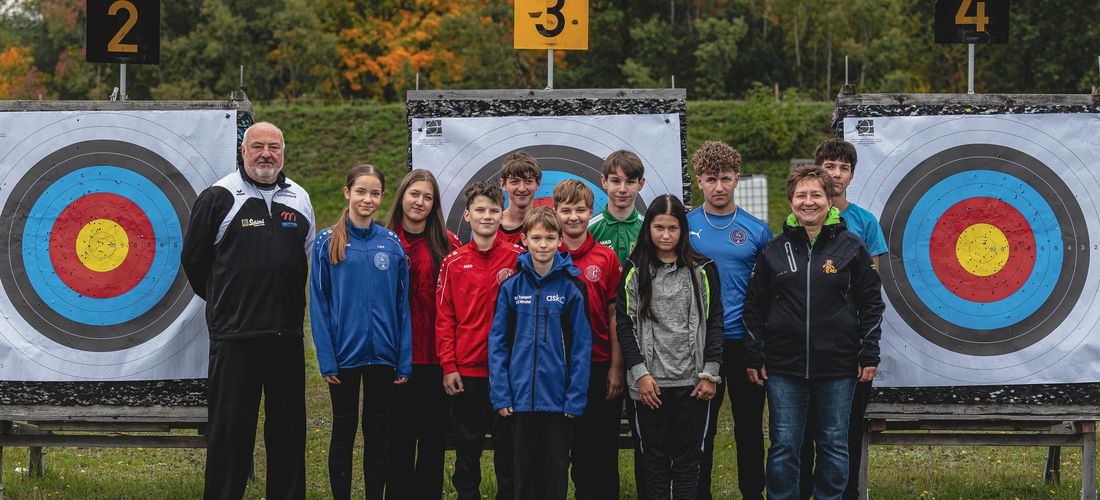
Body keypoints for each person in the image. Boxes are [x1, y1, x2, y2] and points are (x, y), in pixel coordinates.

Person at [181, 121, 315, 500]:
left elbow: (302, 259)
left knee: (288, 432)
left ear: (283, 152)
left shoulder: (299, 198)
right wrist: (227, 301)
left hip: (285, 336)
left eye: (274, 146)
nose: (266, 154)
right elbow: (194, 261)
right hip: (235, 338)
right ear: (243, 151)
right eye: (257, 146)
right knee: (230, 433)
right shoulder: (220, 196)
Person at [743, 166, 885, 500]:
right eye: (801, 195)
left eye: (816, 195)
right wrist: (754, 353)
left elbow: (871, 302)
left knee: (834, 443)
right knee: (784, 445)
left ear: (829, 199)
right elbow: (754, 306)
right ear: (791, 200)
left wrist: (869, 351)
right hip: (783, 367)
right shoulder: (773, 250)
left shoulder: (852, 246)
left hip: (838, 366)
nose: (809, 202)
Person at [310, 165, 411, 499]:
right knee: (343, 430)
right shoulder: (327, 242)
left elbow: (402, 305)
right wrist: (327, 359)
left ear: (382, 197)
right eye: (361, 191)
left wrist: (403, 359)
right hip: (344, 358)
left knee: (378, 433)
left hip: (384, 357)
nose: (367, 199)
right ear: (347, 193)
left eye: (375, 193)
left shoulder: (392, 244)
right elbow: (319, 304)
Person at [799, 139, 889, 500]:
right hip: (806, 346)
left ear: (852, 174)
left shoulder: (865, 223)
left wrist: (865, 347)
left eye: (843, 168)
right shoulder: (802, 217)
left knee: (846, 431)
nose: (835, 175)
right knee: (804, 431)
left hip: (848, 343)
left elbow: (870, 290)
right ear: (817, 169)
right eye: (829, 166)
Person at [618, 194, 724, 500]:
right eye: (659, 227)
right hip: (650, 386)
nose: (665, 235)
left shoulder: (704, 269)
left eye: (673, 228)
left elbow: (715, 321)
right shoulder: (634, 269)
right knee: (654, 463)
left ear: (683, 231)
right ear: (648, 228)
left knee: (690, 463)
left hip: (693, 385)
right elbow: (624, 325)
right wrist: (640, 375)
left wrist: (710, 373)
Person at [685, 141, 772, 500]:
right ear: (698, 181)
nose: (718, 187)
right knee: (701, 431)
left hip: (743, 343)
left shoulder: (757, 230)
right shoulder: (684, 226)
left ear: (737, 179)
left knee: (749, 429)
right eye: (710, 179)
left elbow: (768, 294)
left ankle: (753, 493)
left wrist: (760, 348)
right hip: (699, 344)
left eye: (725, 178)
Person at [488, 206, 593, 500]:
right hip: (520, 400)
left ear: (560, 240)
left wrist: (575, 397)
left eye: (549, 238)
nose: (543, 244)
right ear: (524, 240)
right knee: (524, 475)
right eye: (536, 238)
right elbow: (498, 344)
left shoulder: (573, 287)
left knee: (555, 474)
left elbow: (582, 348)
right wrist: (501, 393)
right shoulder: (511, 287)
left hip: (558, 401)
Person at [436, 180, 524, 500]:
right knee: (467, 450)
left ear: (502, 215)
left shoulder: (519, 259)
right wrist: (449, 366)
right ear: (468, 215)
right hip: (468, 373)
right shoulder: (454, 263)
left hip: (508, 373)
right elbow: (444, 318)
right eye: (480, 210)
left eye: (493, 211)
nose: (486, 216)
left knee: (508, 452)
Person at [385, 169, 462, 500]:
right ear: (402, 196)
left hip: (434, 356)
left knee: (432, 440)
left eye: (427, 197)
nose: (420, 202)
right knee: (397, 439)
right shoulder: (382, 239)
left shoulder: (449, 243)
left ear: (434, 205)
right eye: (414, 194)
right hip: (393, 358)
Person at [553, 180, 624, 500]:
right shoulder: (544, 253)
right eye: (565, 210)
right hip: (555, 370)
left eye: (580, 210)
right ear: (555, 212)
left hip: (597, 364)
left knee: (600, 450)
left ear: (590, 211)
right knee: (557, 451)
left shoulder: (605, 258)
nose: (573, 217)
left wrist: (616, 368)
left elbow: (615, 317)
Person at [589, 150, 647, 267]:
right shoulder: (588, 229)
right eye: (615, 181)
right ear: (604, 181)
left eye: (630, 182)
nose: (622, 189)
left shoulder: (649, 229)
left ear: (640, 184)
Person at [497, 151, 543, 246]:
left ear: (537, 184)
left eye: (528, 181)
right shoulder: (491, 223)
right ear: (503, 184)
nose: (522, 188)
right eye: (514, 182)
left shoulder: (547, 224)